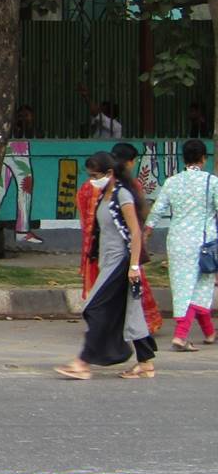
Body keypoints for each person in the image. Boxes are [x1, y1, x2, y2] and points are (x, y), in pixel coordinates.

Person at [56, 151, 157, 380]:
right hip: (109, 262)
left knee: (96, 309)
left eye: (95, 175)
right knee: (131, 313)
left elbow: (135, 233)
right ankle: (145, 363)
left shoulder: (122, 196)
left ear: (109, 173)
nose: (92, 180)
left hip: (121, 263)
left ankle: (82, 362)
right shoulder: (105, 194)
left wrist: (133, 267)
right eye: (90, 176)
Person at [144, 139, 218, 350]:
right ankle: (181, 336)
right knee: (200, 289)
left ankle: (210, 333)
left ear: (183, 158)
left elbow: (157, 210)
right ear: (204, 158)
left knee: (183, 289)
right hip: (203, 244)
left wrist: (146, 233)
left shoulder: (172, 182)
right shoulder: (210, 182)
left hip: (176, 241)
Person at [109, 141, 163, 338]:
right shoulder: (129, 187)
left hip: (109, 246)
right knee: (134, 289)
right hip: (126, 245)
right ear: (131, 163)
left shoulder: (104, 186)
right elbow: (137, 222)